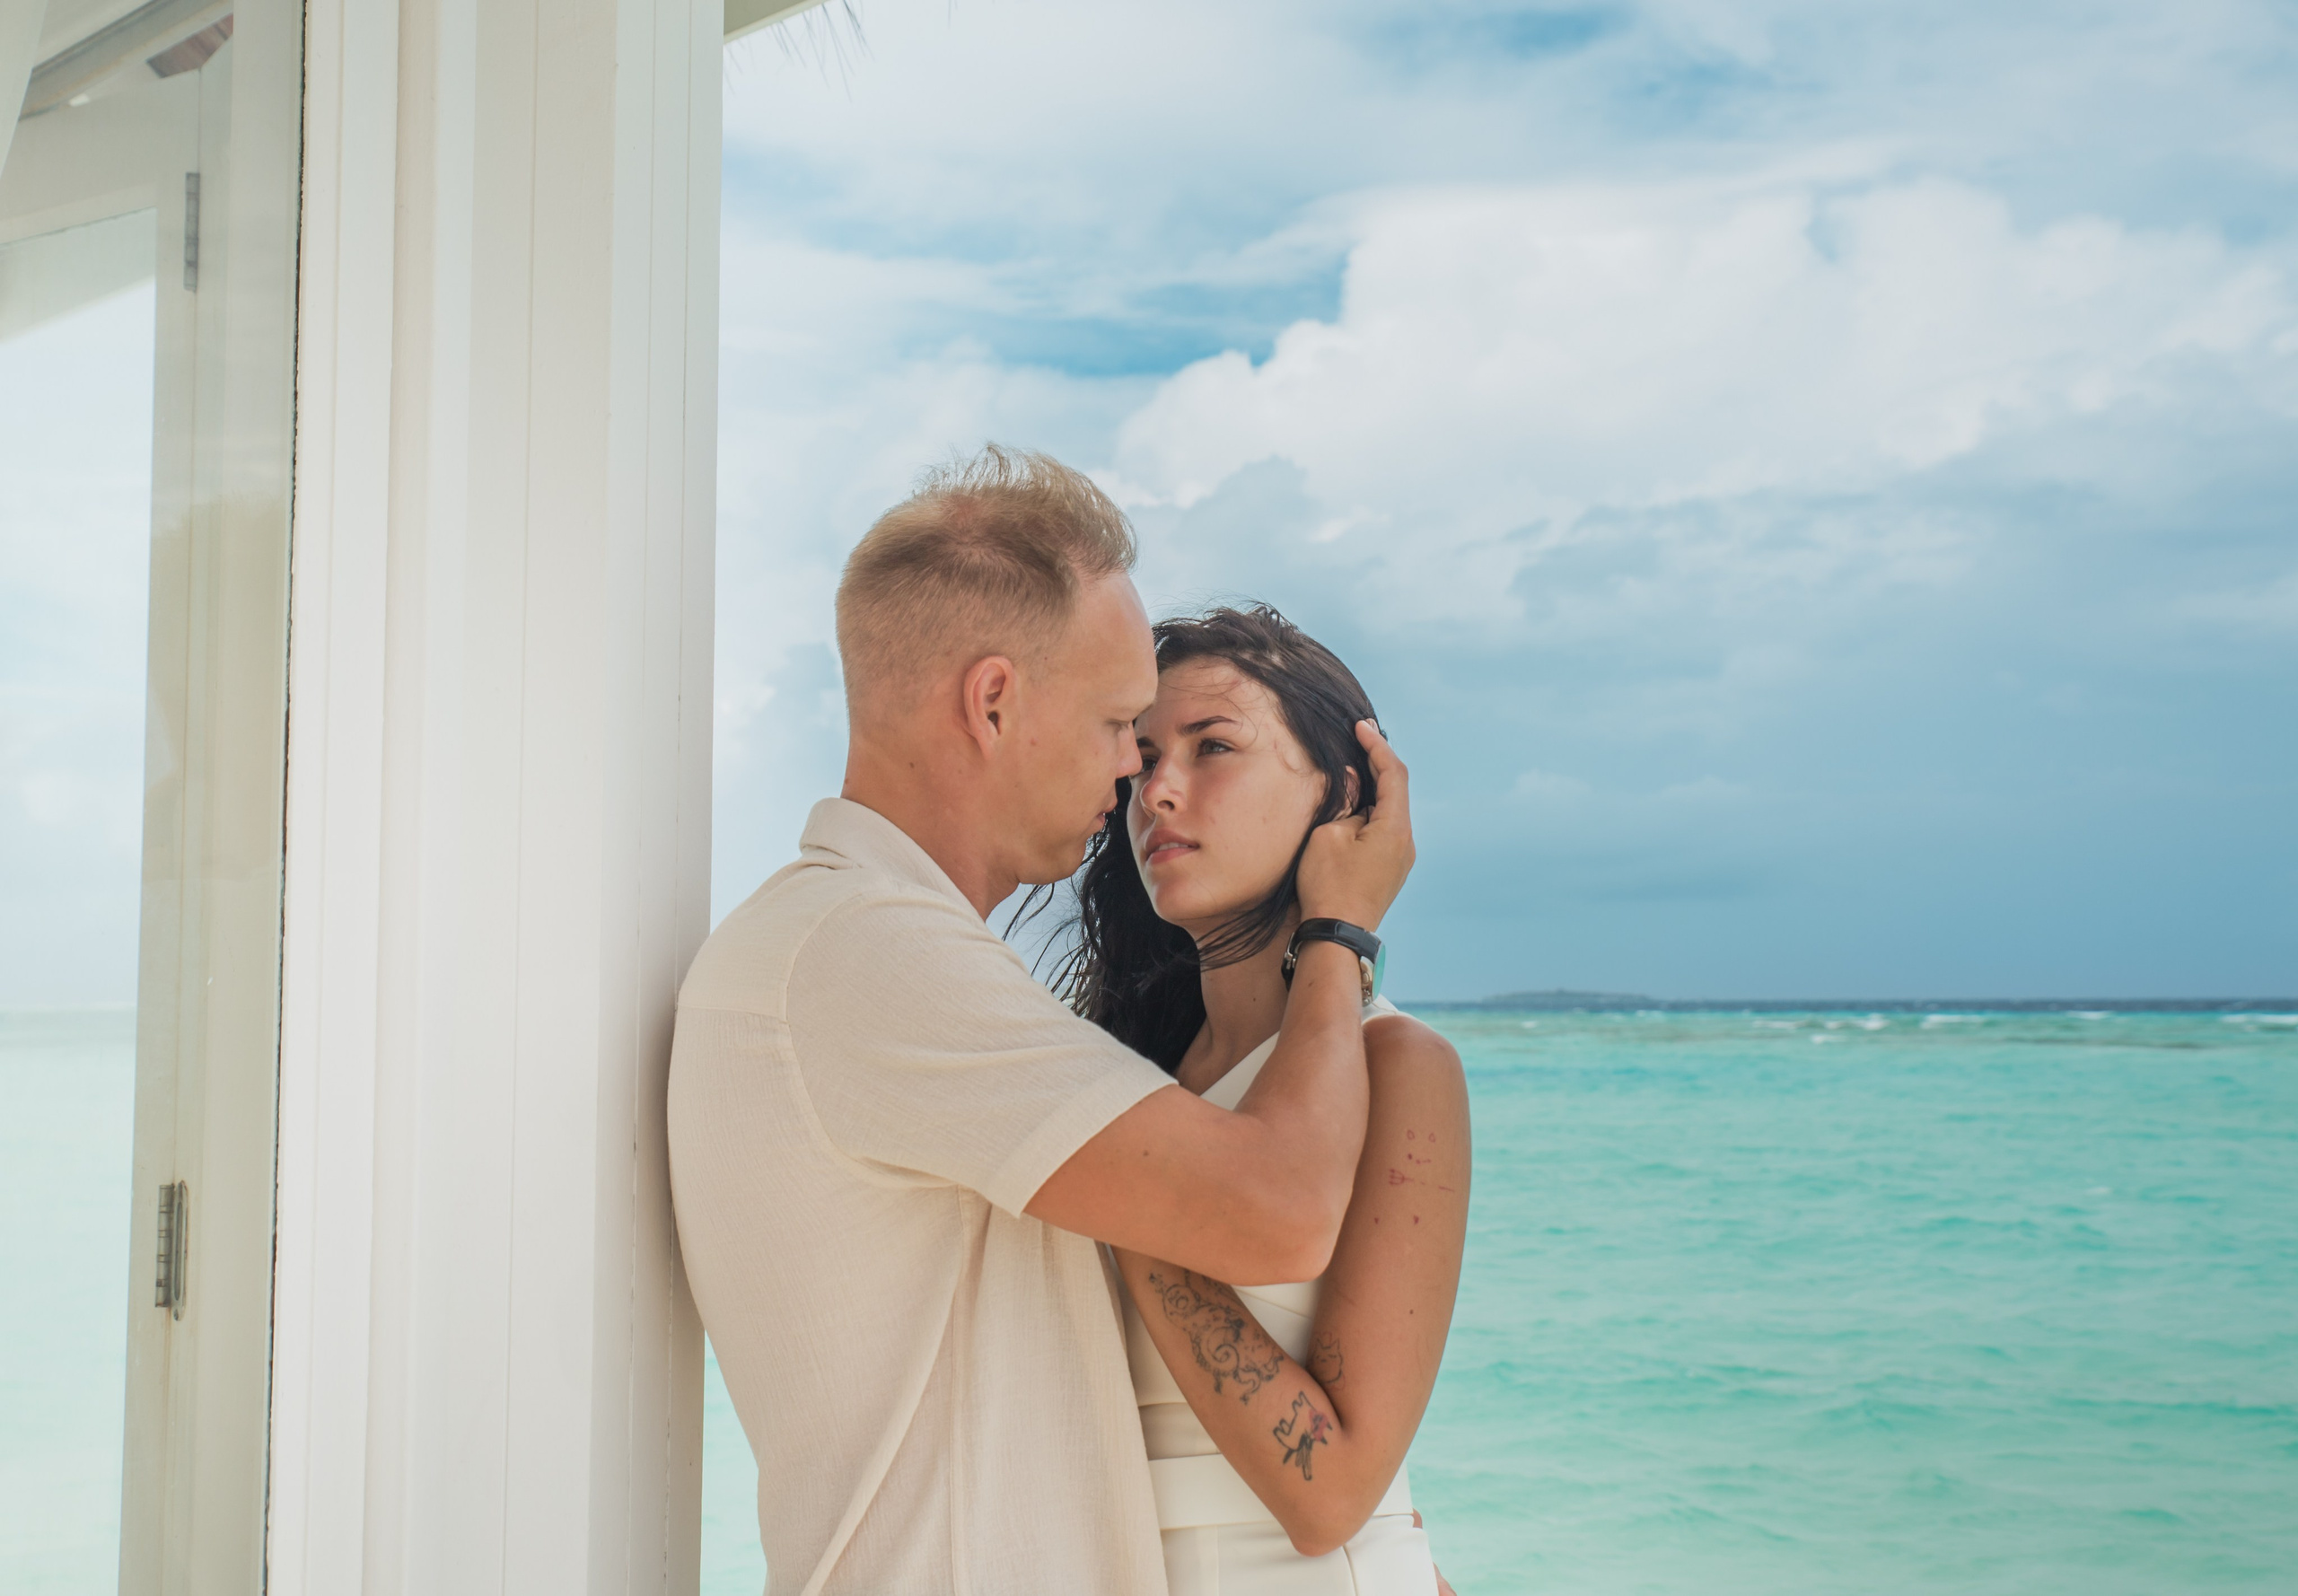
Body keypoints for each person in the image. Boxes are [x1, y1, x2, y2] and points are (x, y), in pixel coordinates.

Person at [666, 447, 1414, 1595]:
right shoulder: (870, 954)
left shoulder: (858, 947)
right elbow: (1277, 1213)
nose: (1133, 774)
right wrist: (1341, 934)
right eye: (1123, 722)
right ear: (995, 699)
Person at [1055, 605, 1469, 1596]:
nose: (1156, 788)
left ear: (1344, 797)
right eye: (1143, 754)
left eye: (1214, 747)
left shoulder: (1401, 1068)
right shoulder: (1119, 1071)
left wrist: (1118, 1192)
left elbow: (1330, 1495)